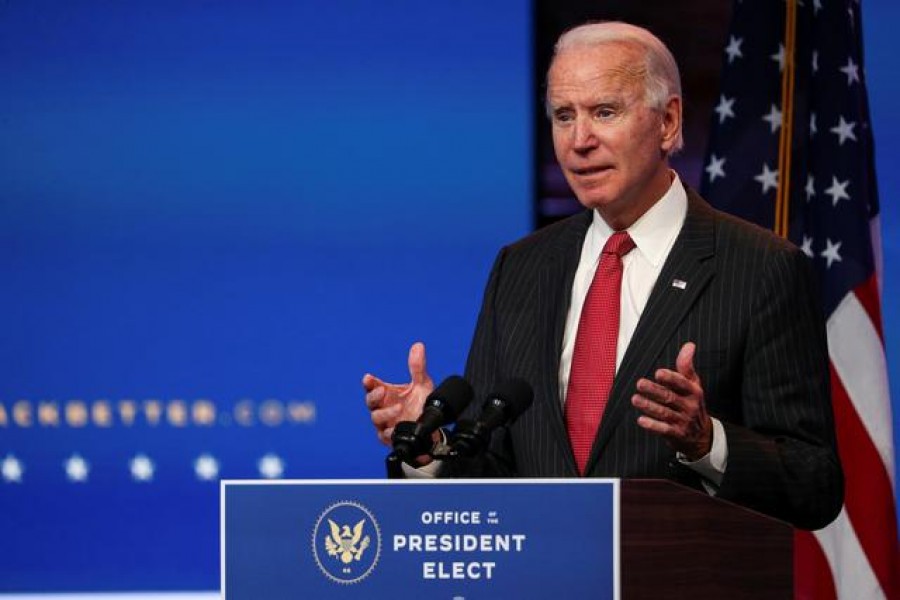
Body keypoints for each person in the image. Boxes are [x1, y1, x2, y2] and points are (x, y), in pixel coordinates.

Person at [363, 21, 843, 530]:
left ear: (668, 121)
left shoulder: (761, 267)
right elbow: (494, 475)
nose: (579, 140)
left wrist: (708, 442)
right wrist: (429, 450)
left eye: (604, 112)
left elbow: (814, 484)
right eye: (563, 116)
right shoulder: (520, 267)